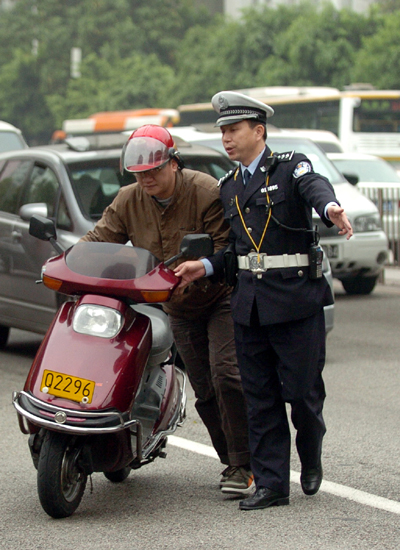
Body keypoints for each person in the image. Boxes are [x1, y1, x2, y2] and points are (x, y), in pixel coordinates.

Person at [174, 91, 353, 511]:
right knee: (260, 398)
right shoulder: (230, 186)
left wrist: (330, 208)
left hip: (295, 303)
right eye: (222, 132)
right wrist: (206, 267)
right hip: (249, 306)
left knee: (304, 396)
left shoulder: (291, 167)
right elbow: (235, 251)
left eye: (234, 130)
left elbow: (315, 187)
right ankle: (272, 484)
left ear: (259, 130)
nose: (227, 139)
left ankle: (310, 454)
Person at [80, 124, 253, 496]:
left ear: (174, 163)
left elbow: (225, 246)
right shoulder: (128, 199)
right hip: (177, 306)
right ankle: (232, 462)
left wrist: (201, 269)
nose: (147, 179)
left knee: (227, 376)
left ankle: (244, 464)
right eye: (139, 174)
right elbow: (100, 239)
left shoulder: (206, 191)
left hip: (218, 297)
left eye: (154, 171)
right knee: (205, 388)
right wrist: (68, 260)